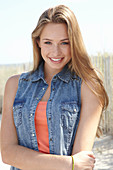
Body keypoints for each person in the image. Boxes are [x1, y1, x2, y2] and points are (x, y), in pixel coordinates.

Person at [1, 4, 108, 170]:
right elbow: (7, 154)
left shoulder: (89, 87)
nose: (55, 51)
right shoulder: (14, 85)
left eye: (64, 43)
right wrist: (69, 163)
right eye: (48, 42)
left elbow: (82, 164)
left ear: (74, 43)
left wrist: (25, 158)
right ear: (38, 43)